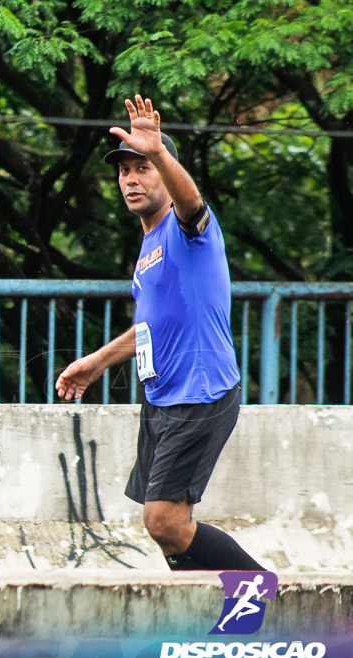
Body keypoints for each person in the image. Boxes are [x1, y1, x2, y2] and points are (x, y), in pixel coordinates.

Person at [55, 95, 264, 572]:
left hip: (201, 391)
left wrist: (161, 152)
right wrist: (97, 361)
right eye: (124, 171)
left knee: (165, 521)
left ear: (164, 175)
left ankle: (266, 597)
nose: (131, 179)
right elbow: (153, 326)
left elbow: (192, 203)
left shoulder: (187, 229)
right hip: (163, 396)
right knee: (166, 528)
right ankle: (216, 615)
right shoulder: (148, 245)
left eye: (142, 168)